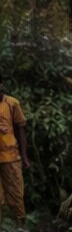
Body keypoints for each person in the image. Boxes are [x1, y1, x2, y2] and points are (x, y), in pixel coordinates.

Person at [0, 76, 28, 224]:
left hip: (10, 156)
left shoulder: (11, 103)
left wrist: (24, 156)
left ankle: (21, 226)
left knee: (16, 193)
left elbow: (20, 129)